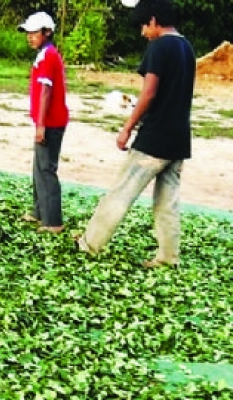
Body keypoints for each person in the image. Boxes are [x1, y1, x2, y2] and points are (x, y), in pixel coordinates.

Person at [76, 0, 195, 267]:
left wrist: (127, 127)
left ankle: (90, 244)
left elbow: (149, 93)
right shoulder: (186, 47)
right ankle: (168, 257)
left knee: (121, 192)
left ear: (153, 21)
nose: (142, 32)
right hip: (178, 138)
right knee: (168, 200)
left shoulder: (159, 47)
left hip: (155, 137)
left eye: (144, 25)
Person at [18, 11, 69, 234]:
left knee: (46, 168)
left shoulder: (49, 56)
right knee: (39, 167)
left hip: (51, 121)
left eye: (34, 33)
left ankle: (53, 221)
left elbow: (46, 92)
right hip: (47, 120)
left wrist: (41, 125)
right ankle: (39, 211)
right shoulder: (43, 55)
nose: (30, 37)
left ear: (47, 33)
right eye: (27, 33)